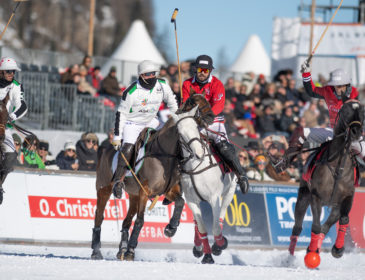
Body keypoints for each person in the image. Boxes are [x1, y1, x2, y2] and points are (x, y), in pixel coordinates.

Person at [271, 62, 363, 173]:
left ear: (347, 84)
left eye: (339, 86)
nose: (337, 90)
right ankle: (285, 162)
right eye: (335, 86)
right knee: (300, 132)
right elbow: (312, 91)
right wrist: (306, 74)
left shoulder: (354, 93)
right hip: (332, 132)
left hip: (350, 136)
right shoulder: (328, 90)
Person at [182, 55, 249, 194]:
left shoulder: (217, 84)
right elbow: (185, 104)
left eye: (206, 70)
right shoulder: (187, 84)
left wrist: (207, 118)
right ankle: (173, 181)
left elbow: (218, 106)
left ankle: (241, 175)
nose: (202, 73)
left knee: (224, 147)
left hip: (213, 123)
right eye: (200, 69)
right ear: (195, 69)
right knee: (178, 143)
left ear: (210, 71)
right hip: (193, 123)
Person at [111, 60, 178, 197]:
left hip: (152, 121)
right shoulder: (131, 91)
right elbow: (121, 114)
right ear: (141, 75)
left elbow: (172, 103)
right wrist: (117, 136)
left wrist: (178, 120)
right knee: (128, 147)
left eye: (153, 73)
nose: (152, 76)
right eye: (148, 74)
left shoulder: (162, 85)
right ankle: (118, 181)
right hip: (133, 123)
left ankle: (174, 177)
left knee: (172, 138)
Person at [0, 57, 28, 204]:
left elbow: (22, 106)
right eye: (9, 71)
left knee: (11, 157)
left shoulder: (16, 86)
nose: (12, 74)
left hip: (4, 126)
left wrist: (12, 115)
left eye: (14, 71)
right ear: (2, 71)